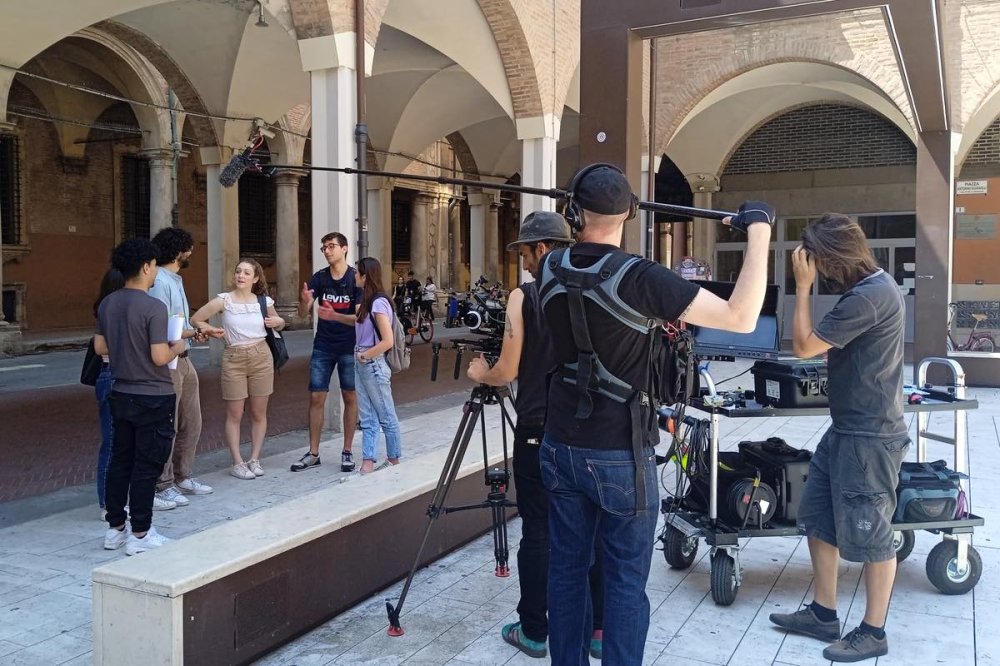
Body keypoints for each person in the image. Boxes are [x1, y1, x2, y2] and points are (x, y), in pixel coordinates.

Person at [538, 164, 774, 664]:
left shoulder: (546, 267)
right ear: (629, 213)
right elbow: (742, 316)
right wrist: (759, 233)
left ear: (574, 211)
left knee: (565, 572)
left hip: (559, 446)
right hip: (620, 454)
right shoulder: (643, 279)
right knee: (624, 583)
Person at [770, 213, 908, 663]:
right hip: (848, 429)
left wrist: (802, 286)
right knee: (818, 518)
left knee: (873, 533)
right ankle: (823, 613)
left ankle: (873, 631)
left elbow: (804, 346)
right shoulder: (871, 289)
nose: (817, 269)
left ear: (831, 257)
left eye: (817, 261)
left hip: (869, 436)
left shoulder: (868, 298)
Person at [467, 211, 605, 660]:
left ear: (542, 249)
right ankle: (598, 629)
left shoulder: (522, 297)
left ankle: (534, 630)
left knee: (540, 531)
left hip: (538, 427)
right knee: (592, 530)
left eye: (525, 252)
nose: (524, 262)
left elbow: (506, 370)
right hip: (590, 426)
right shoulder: (596, 287)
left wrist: (481, 373)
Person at [94, 238, 185, 556]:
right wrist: (178, 346)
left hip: (120, 392)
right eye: (154, 267)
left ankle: (115, 529)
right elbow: (160, 356)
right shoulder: (153, 307)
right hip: (153, 394)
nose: (156, 273)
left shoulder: (108, 304)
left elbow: (100, 348)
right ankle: (141, 533)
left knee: (120, 461)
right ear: (146, 266)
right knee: (147, 466)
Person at [191, 259, 284, 480]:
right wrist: (210, 329)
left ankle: (254, 458)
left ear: (256, 278)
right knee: (235, 413)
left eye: (246, 272)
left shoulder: (263, 301)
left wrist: (278, 320)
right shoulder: (224, 300)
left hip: (261, 355)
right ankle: (237, 462)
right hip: (234, 357)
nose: (241, 276)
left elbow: (278, 323)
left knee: (258, 412)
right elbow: (196, 319)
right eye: (238, 272)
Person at [148, 227, 215, 510]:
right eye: (188, 248)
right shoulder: (161, 282)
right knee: (169, 424)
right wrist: (194, 332)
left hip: (184, 359)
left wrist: (193, 332)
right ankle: (162, 485)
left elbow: (180, 323)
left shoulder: (175, 279)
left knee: (192, 421)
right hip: (170, 360)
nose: (191, 253)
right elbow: (163, 326)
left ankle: (182, 475)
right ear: (179, 251)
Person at [293, 232, 360, 473]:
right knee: (316, 397)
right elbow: (302, 314)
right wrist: (305, 302)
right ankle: (313, 453)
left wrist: (335, 316)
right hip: (323, 345)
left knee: (350, 396)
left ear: (344, 249)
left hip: (349, 347)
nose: (327, 251)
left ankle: (347, 451)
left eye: (331, 246)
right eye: (324, 248)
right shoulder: (319, 278)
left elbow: (360, 319)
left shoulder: (355, 279)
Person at [353, 257, 404, 474]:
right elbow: (356, 320)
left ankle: (393, 458)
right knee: (367, 417)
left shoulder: (378, 302)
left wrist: (365, 356)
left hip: (372, 365)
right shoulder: (367, 302)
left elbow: (387, 341)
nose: (355, 276)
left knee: (385, 415)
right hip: (363, 364)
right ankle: (368, 461)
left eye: (357, 273)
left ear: (365, 276)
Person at [93, 267, 124, 521]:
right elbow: (100, 346)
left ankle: (114, 499)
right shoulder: (111, 310)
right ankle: (107, 502)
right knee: (113, 441)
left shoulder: (107, 307)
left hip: (114, 375)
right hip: (113, 374)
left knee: (119, 441)